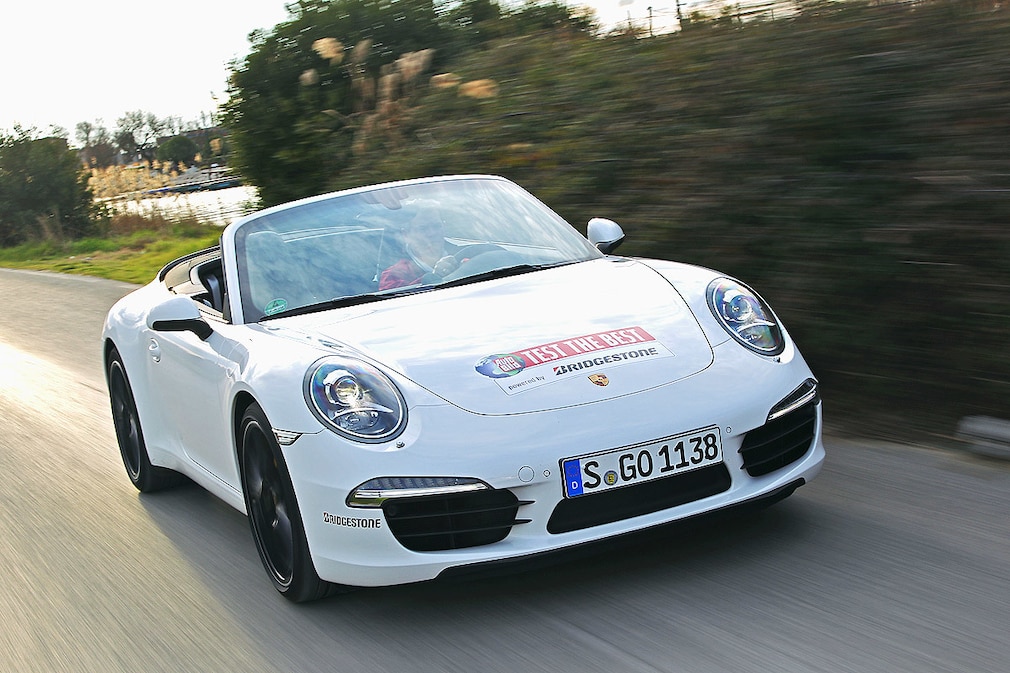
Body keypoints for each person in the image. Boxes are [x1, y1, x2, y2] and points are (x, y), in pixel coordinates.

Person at [379, 211, 460, 289]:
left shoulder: (466, 255)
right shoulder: (393, 275)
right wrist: (433, 277)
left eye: (437, 226)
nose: (432, 233)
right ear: (406, 234)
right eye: (423, 228)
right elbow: (395, 301)